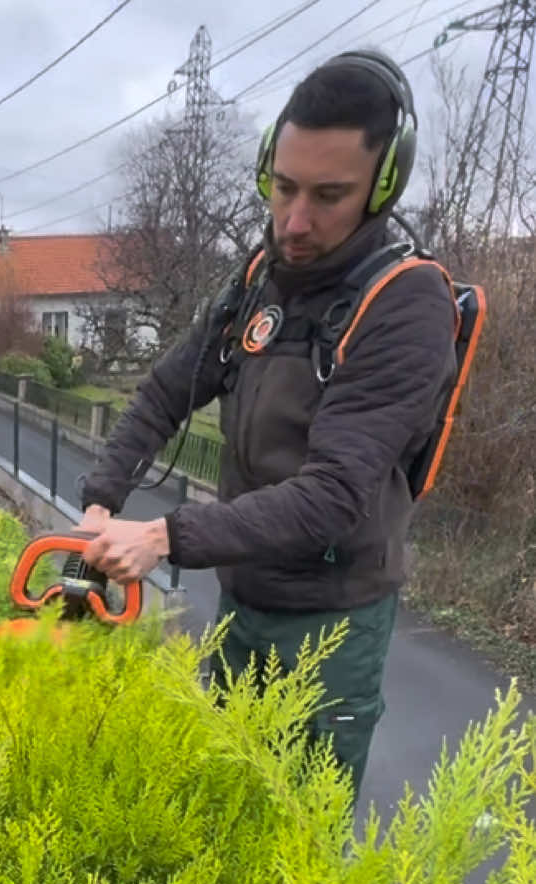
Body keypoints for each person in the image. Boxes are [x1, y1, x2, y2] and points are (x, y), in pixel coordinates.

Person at [77, 48, 459, 803]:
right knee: (222, 803)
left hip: (331, 621)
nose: (294, 221)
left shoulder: (407, 305)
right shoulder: (260, 279)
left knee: (297, 837)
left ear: (382, 187)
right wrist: (100, 499)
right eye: (283, 188)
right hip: (244, 601)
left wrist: (161, 537)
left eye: (328, 195)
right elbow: (165, 391)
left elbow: (332, 495)